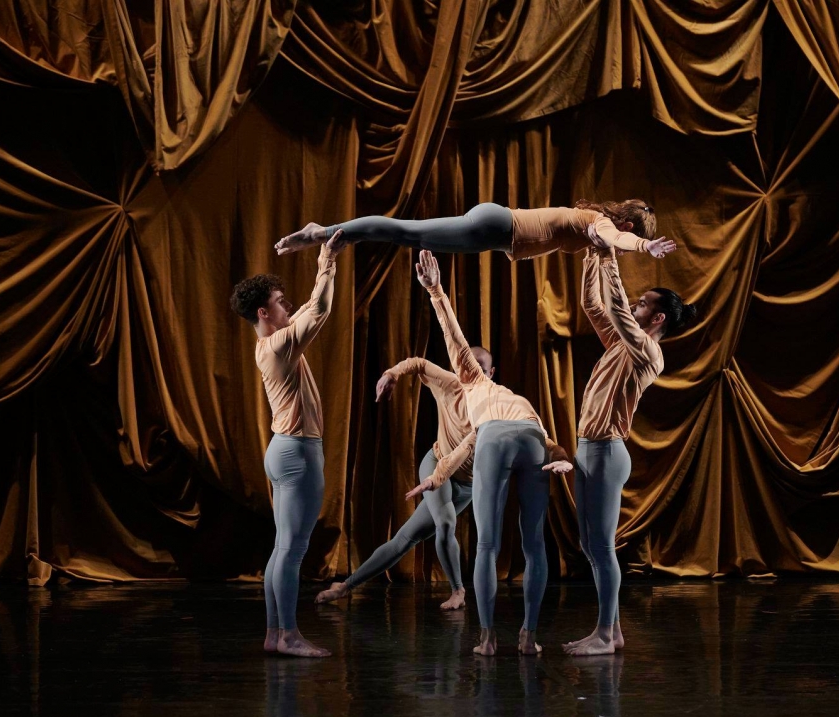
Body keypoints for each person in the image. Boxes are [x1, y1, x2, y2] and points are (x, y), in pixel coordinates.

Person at [410, 249, 573, 655]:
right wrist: (563, 457)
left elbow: (455, 339)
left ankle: (487, 639)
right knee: (534, 543)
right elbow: (546, 440)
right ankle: (529, 637)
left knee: (487, 545)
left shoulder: (473, 382)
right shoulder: (519, 399)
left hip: (495, 437)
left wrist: (436, 291)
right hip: (531, 437)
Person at [563, 224, 696, 656]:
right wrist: (591, 253)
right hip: (588, 449)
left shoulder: (648, 351)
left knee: (602, 546)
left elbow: (618, 309)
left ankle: (606, 634)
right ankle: (611, 631)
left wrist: (609, 256)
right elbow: (593, 305)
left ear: (657, 319)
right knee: (589, 545)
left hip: (606, 452)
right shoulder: (622, 343)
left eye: (644, 304)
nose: (635, 305)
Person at [228, 230, 346, 657]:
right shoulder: (278, 346)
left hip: (283, 449)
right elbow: (321, 309)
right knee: (293, 551)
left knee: (283, 548)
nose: (288, 305)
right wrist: (327, 260)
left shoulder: (272, 344)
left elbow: (311, 308)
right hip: (297, 452)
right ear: (264, 312)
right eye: (280, 301)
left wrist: (325, 260)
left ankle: (274, 633)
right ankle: (289, 635)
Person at [314, 352, 493, 610]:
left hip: (466, 486)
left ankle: (344, 587)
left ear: (491, 373)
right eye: (467, 369)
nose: (472, 376)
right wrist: (392, 374)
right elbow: (419, 363)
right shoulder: (449, 384)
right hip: (436, 465)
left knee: (404, 540)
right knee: (445, 523)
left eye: (481, 370)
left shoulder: (497, 403)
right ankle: (458, 591)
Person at [274, 199, 676, 262]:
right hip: (496, 227)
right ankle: (323, 231)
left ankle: (338, 234)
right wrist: (644, 247)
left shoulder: (589, 224)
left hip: (494, 231)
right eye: (631, 233)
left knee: (407, 236)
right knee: (406, 232)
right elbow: (616, 238)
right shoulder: (599, 223)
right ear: (627, 224)